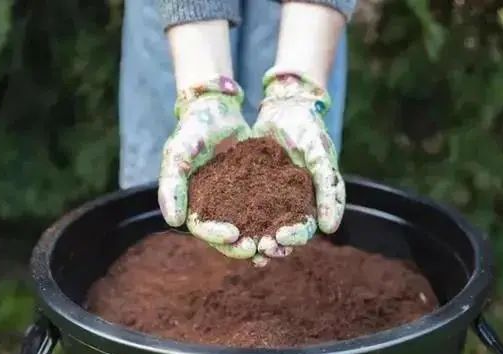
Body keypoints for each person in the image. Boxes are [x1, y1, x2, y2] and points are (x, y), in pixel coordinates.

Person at [119, 1, 356, 263]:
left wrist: (298, 88)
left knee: (299, 140)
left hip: (312, 16)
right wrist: (204, 94)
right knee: (167, 202)